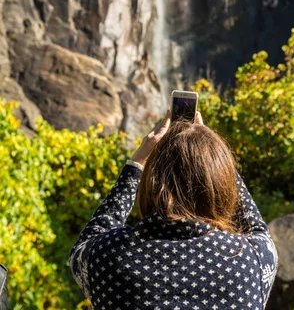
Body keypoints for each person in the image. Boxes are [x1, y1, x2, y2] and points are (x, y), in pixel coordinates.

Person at [69, 109, 278, 310]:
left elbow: (88, 240)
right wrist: (214, 160)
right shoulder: (252, 260)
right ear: (221, 183)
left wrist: (136, 163)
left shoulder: (108, 257)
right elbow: (257, 228)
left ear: (152, 184)